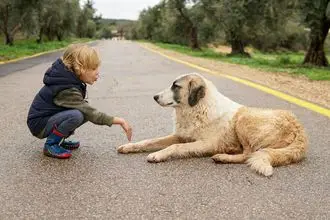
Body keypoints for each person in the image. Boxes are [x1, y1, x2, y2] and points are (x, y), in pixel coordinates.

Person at [27, 43, 132, 159]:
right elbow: (90, 113)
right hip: (39, 125)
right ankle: (51, 144)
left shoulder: (68, 80)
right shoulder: (66, 88)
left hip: (47, 119)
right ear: (80, 68)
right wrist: (118, 120)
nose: (97, 72)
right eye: (93, 68)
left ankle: (59, 139)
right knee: (77, 114)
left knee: (83, 111)